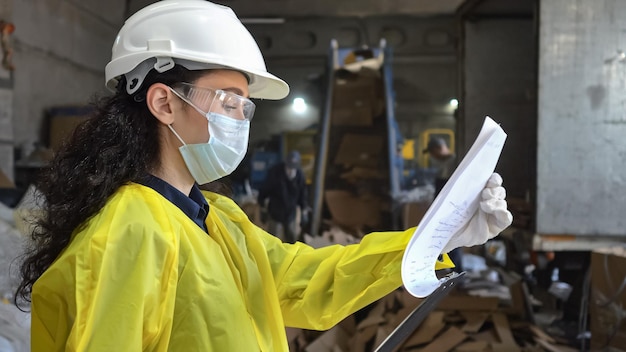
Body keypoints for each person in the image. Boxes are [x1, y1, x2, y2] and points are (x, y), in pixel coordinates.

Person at [15, 1, 513, 351]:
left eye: (244, 105)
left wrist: (434, 237)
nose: (239, 117)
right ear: (164, 101)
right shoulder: (127, 234)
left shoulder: (217, 219)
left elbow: (307, 282)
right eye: (227, 100)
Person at [258, 150, 308, 243]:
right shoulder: (275, 172)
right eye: (289, 167)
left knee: (291, 237)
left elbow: (302, 194)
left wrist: (304, 212)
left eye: (294, 168)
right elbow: (264, 190)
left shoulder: (300, 176)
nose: (291, 170)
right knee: (272, 239)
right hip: (275, 211)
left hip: (290, 212)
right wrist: (262, 209)